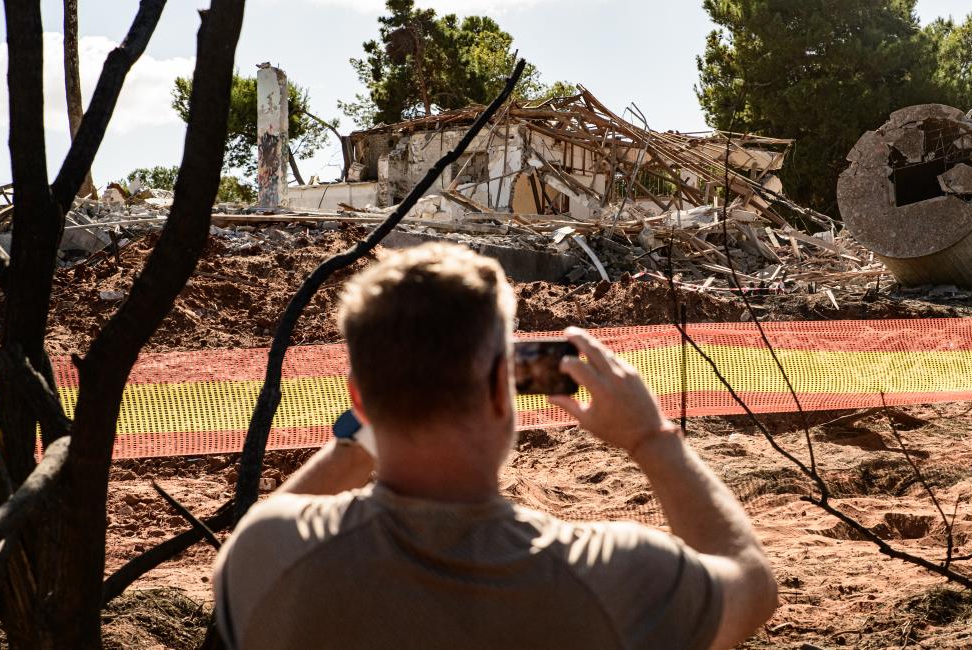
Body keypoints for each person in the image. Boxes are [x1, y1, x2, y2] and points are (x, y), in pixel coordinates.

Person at [213, 243, 776, 650]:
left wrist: (365, 433)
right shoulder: (615, 575)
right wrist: (653, 439)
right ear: (502, 390)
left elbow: (251, 539)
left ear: (358, 400)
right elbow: (751, 584)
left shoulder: (269, 558)